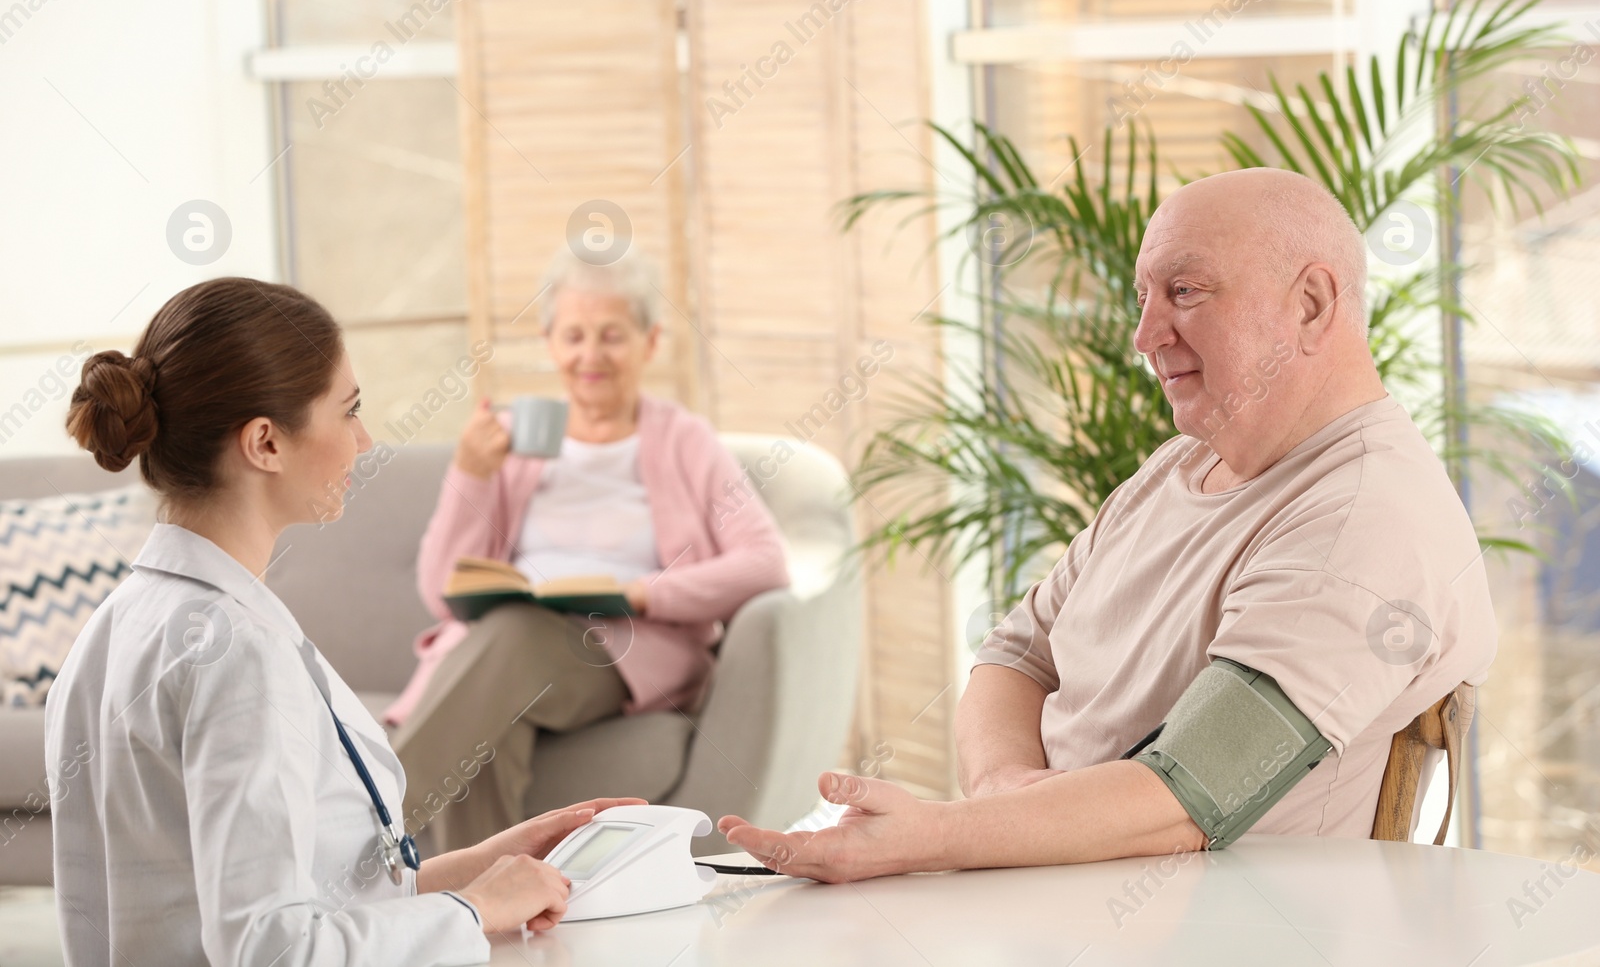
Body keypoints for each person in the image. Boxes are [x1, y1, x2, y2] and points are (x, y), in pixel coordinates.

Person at [717, 168, 1498, 881]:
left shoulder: (1366, 516)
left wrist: (938, 833)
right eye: (1144, 297)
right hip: (1051, 907)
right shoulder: (1175, 469)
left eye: (1186, 291)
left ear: (1311, 304)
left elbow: (1192, 790)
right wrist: (1002, 792)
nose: (1145, 334)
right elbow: (1016, 656)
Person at [46, 277, 646, 966]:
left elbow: (282, 901)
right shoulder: (235, 653)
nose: (363, 440)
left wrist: (479, 868)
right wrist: (476, 910)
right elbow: (274, 950)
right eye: (349, 409)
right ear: (265, 443)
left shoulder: (113, 629)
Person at [386, 249, 789, 852]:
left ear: (650, 342)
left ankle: (363, 829)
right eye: (573, 336)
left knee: (515, 636)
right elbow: (441, 590)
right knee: (489, 738)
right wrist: (470, 475)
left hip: (614, 650)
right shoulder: (516, 438)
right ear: (550, 342)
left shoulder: (684, 440)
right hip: (508, 650)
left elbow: (765, 562)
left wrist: (643, 593)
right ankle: (485, 916)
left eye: (612, 336)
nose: (590, 356)